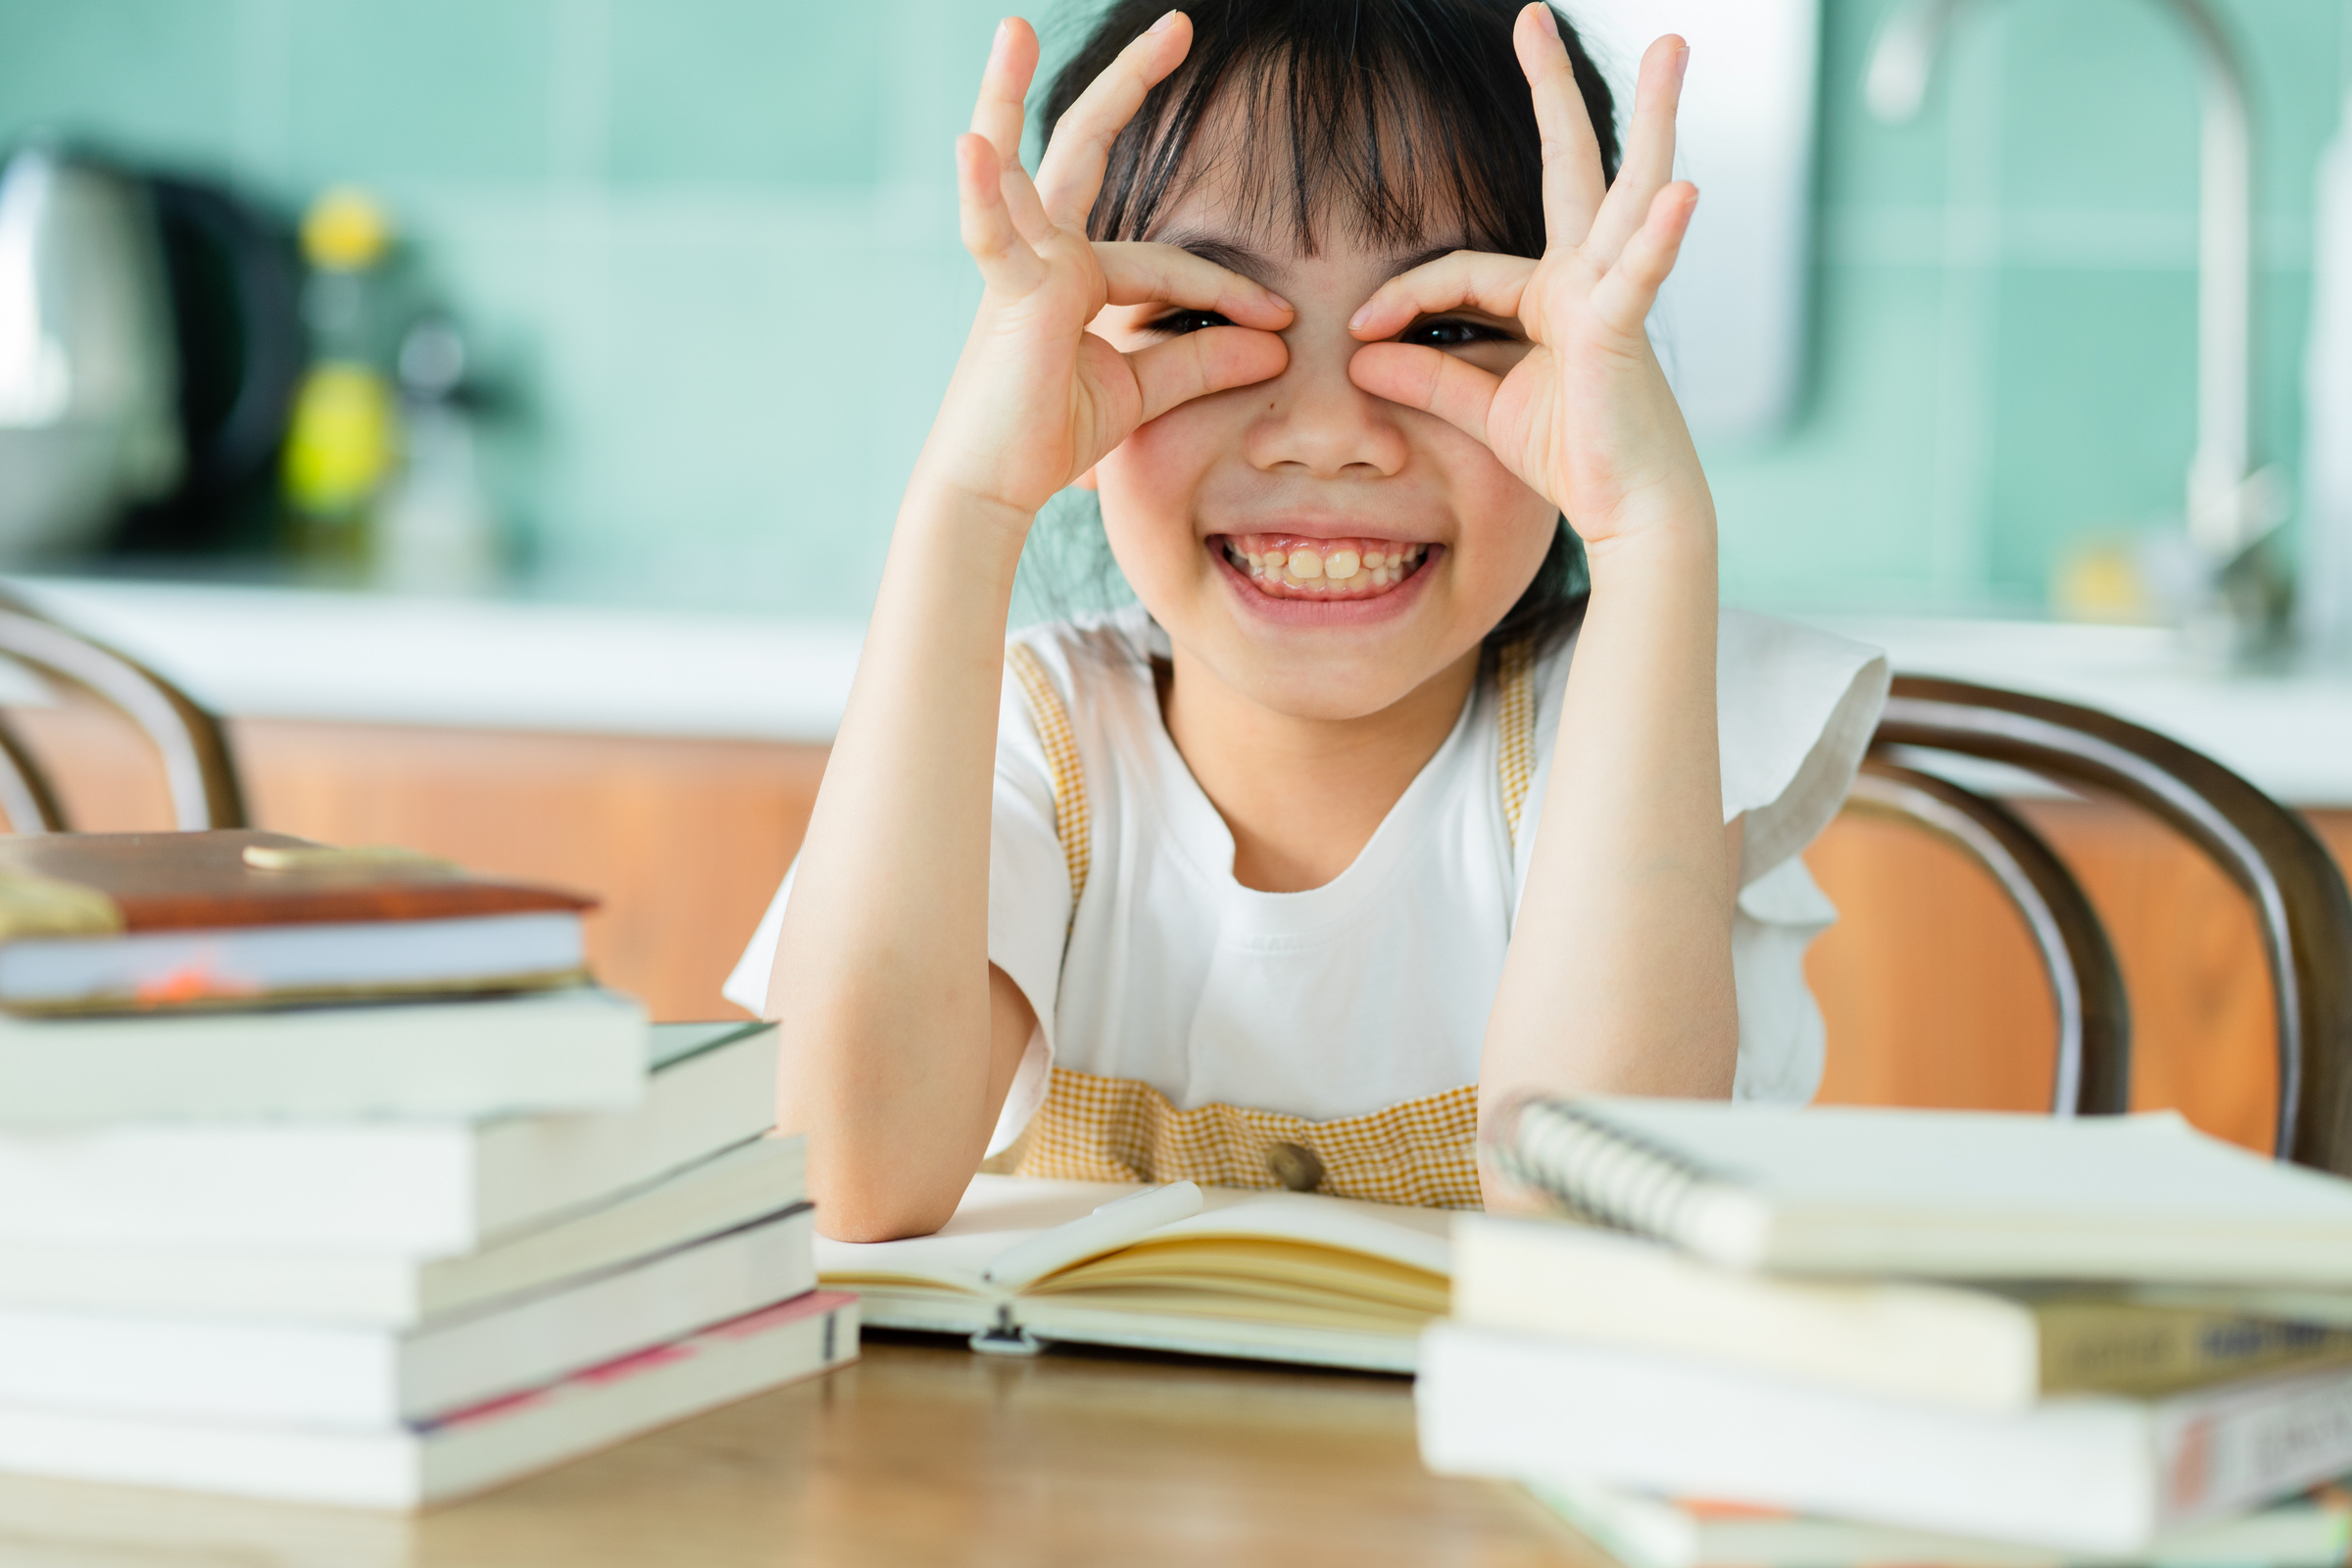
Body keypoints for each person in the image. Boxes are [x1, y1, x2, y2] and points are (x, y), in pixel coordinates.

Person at [725, 0, 1887, 1240]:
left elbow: (1584, 1215)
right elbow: (837, 1177)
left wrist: (1651, 528)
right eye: (1208, 316)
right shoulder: (1039, 743)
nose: (1330, 436)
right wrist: (968, 499)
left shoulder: (1631, 730)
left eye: (1448, 328)